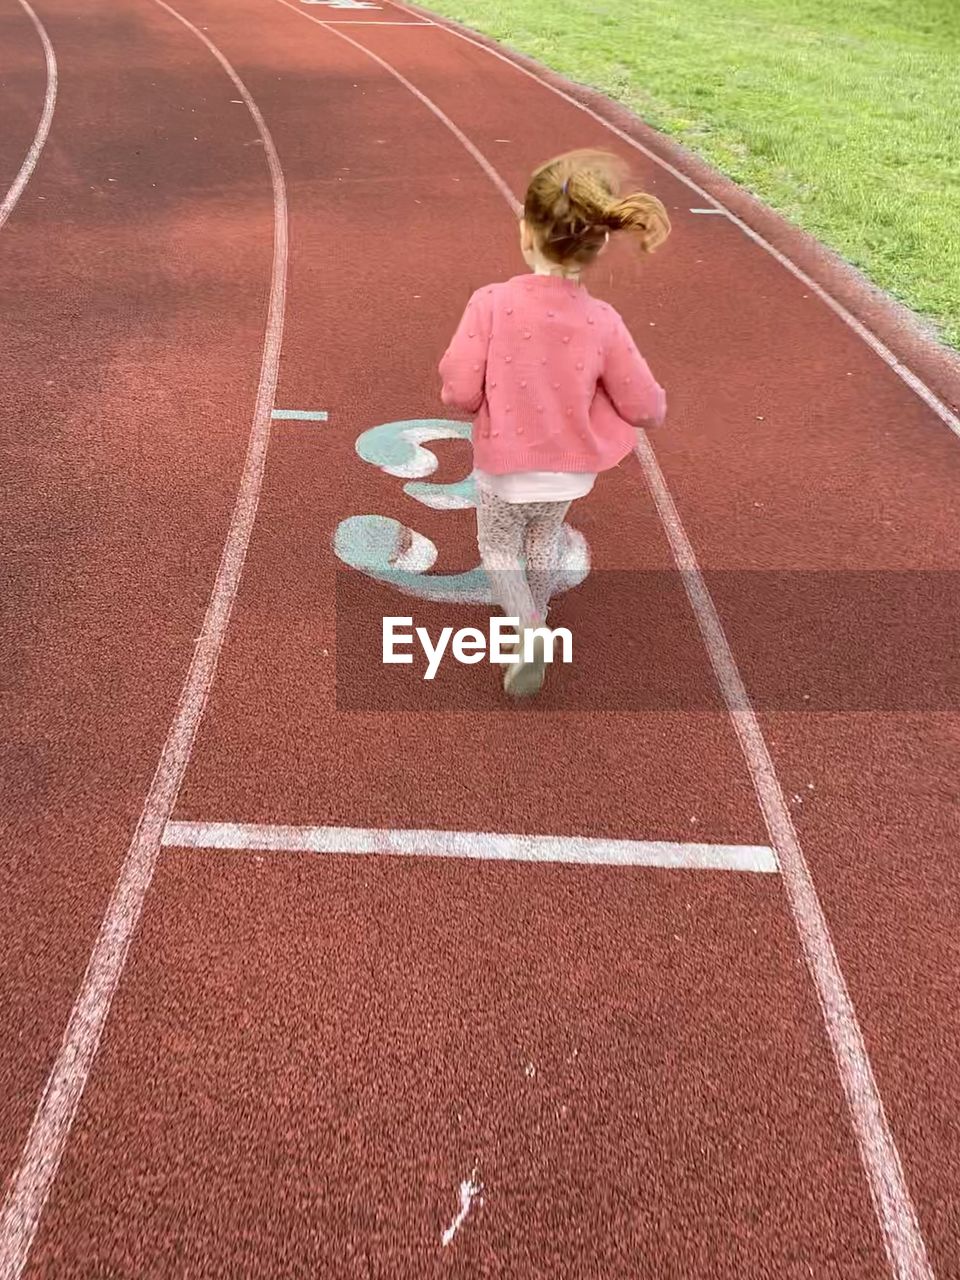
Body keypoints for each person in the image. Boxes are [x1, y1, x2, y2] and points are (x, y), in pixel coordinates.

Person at [439, 149, 670, 698]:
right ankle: (539, 611)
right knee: (545, 534)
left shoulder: (491, 303)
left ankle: (528, 628)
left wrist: (465, 397)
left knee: (498, 547)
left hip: (506, 468)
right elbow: (646, 405)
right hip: (568, 473)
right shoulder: (603, 321)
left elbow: (461, 387)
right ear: (598, 245)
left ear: (526, 231)